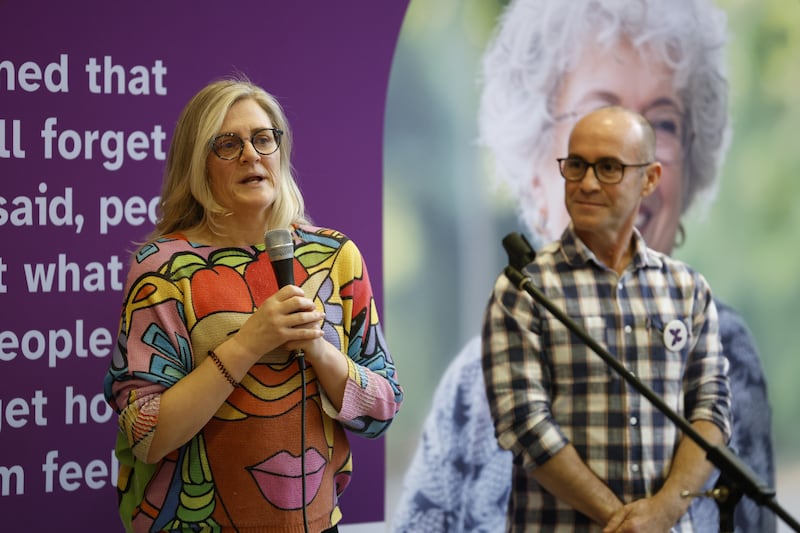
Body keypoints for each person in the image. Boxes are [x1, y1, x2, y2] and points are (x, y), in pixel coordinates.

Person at [393, 0, 774, 531]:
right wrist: (626, 520)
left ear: (664, 174)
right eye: (597, 125)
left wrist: (660, 513)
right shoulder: (477, 370)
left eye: (661, 121)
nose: (605, 171)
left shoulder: (717, 330)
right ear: (539, 161)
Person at [103, 78, 403, 533]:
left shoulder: (334, 257)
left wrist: (319, 350)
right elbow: (145, 432)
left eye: (263, 138)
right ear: (197, 164)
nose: (251, 154)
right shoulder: (163, 269)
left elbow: (382, 409)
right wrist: (248, 343)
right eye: (228, 143)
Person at [483, 105, 731, 530]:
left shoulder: (687, 289)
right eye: (576, 165)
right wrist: (624, 522)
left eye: (609, 168)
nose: (587, 183)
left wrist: (664, 511)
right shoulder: (525, 288)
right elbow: (524, 425)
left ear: (649, 179)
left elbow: (711, 411)